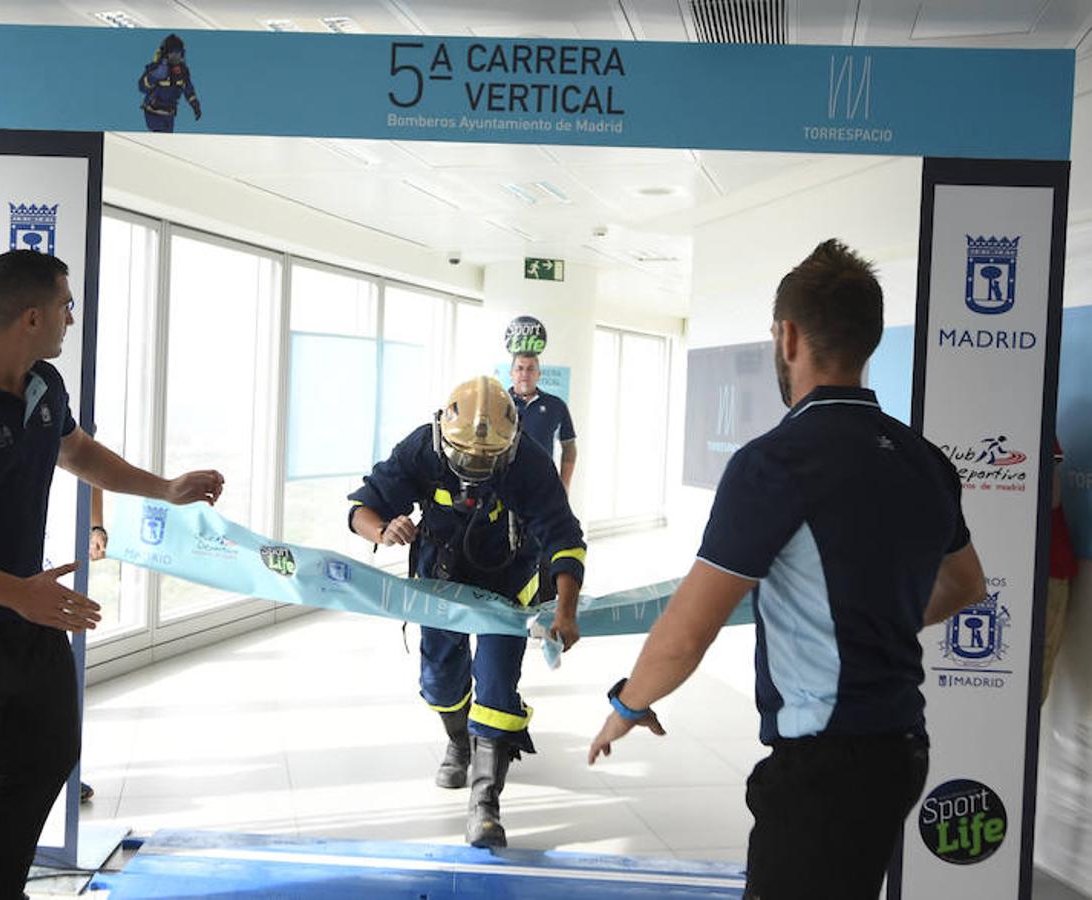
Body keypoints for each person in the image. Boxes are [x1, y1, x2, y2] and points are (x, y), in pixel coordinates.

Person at [586, 239, 986, 900]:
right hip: (901, 751)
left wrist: (629, 703)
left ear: (788, 335)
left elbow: (687, 633)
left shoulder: (774, 464)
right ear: (868, 341)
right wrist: (869, 620)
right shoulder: (926, 461)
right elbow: (966, 585)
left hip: (826, 768)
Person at [0, 249, 224, 900]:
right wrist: (18, 595)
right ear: (31, 316)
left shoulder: (42, 386)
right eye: (66, 305)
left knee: (44, 757)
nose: (70, 317)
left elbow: (77, 450)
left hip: (27, 612)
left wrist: (163, 488)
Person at [348, 375, 586, 848]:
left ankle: (485, 804)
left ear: (510, 443)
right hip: (441, 583)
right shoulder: (424, 448)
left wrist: (566, 609)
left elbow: (565, 538)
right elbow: (362, 507)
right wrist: (383, 530)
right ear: (444, 434)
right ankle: (459, 741)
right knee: (439, 681)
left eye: (487, 457)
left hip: (507, 587)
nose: (475, 464)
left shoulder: (528, 462)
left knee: (497, 688)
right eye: (466, 456)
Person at [1043, 437, 1079, 702]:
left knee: (1030, 684)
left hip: (1045, 572)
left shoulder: (1028, 418)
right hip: (981, 570)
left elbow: (1049, 497)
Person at [509, 352, 577, 492]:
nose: (525, 374)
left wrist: (564, 487)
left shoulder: (556, 406)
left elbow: (569, 448)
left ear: (539, 374)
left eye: (530, 369)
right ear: (511, 373)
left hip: (542, 487)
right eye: (519, 368)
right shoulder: (498, 404)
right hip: (505, 485)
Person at [138, 33, 201, 133]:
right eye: (172, 55)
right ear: (166, 54)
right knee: (159, 136)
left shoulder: (182, 71)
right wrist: (154, 76)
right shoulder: (157, 68)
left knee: (167, 138)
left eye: (178, 54)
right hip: (153, 111)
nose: (175, 58)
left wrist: (195, 104)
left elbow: (188, 89)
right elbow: (142, 87)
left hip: (169, 114)